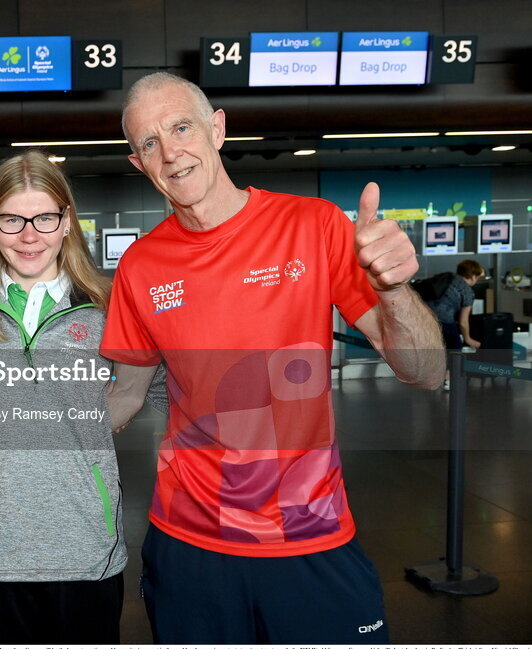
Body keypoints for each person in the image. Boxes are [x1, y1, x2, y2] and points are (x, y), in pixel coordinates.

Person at [101, 72, 445, 644]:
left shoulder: (313, 225)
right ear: (138, 163)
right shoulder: (141, 265)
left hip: (309, 532)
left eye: (181, 127)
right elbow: (125, 395)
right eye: (149, 143)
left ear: (218, 128)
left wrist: (392, 290)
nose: (170, 152)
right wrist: (26, 434)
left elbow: (426, 372)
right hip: (189, 542)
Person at [0, 150, 152, 643]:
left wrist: (84, 425)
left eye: (44, 217)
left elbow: (137, 391)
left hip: (85, 546)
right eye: (12, 219)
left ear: (66, 221)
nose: (29, 234)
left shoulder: (106, 306)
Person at [427, 260, 484, 352]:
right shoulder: (467, 291)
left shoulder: (446, 277)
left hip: (423, 317)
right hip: (443, 321)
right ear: (473, 277)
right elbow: (463, 322)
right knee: (455, 348)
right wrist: (468, 339)